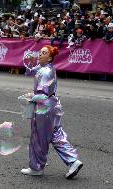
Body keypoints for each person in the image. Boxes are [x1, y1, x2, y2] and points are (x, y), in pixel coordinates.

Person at [21, 45, 83, 179]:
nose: (40, 55)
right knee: (56, 134)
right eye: (40, 52)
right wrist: (30, 62)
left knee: (39, 137)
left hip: (45, 107)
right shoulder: (45, 68)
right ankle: (73, 161)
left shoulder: (46, 71)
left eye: (43, 53)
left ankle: (37, 167)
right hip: (52, 106)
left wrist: (31, 96)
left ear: (49, 57)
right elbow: (30, 71)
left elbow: (43, 94)